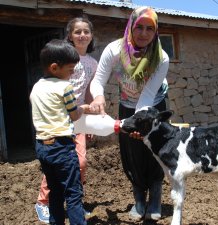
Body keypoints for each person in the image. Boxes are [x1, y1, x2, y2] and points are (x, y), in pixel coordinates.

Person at [89, 6, 169, 221]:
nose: (143, 33)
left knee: (155, 151)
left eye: (149, 29)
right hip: (127, 104)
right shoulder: (114, 50)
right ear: (131, 27)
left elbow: (149, 94)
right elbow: (98, 81)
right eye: (139, 27)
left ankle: (155, 199)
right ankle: (139, 199)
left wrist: (140, 123)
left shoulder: (161, 57)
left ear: (156, 31)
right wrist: (98, 97)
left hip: (154, 105)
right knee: (132, 152)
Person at [34, 17, 98, 223]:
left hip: (59, 130)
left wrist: (88, 118)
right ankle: (50, 205)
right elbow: (70, 109)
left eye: (86, 31)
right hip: (64, 127)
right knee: (68, 179)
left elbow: (88, 91)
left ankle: (63, 213)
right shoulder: (63, 77)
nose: (82, 35)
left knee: (75, 167)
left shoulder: (92, 63)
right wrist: (84, 110)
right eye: (77, 31)